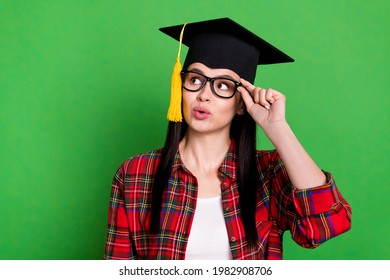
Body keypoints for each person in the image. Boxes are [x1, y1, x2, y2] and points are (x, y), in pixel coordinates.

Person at [103, 18, 352, 260]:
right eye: (195, 79)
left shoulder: (268, 174)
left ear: (242, 103)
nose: (204, 95)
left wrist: (278, 129)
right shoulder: (135, 173)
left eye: (223, 86)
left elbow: (328, 224)